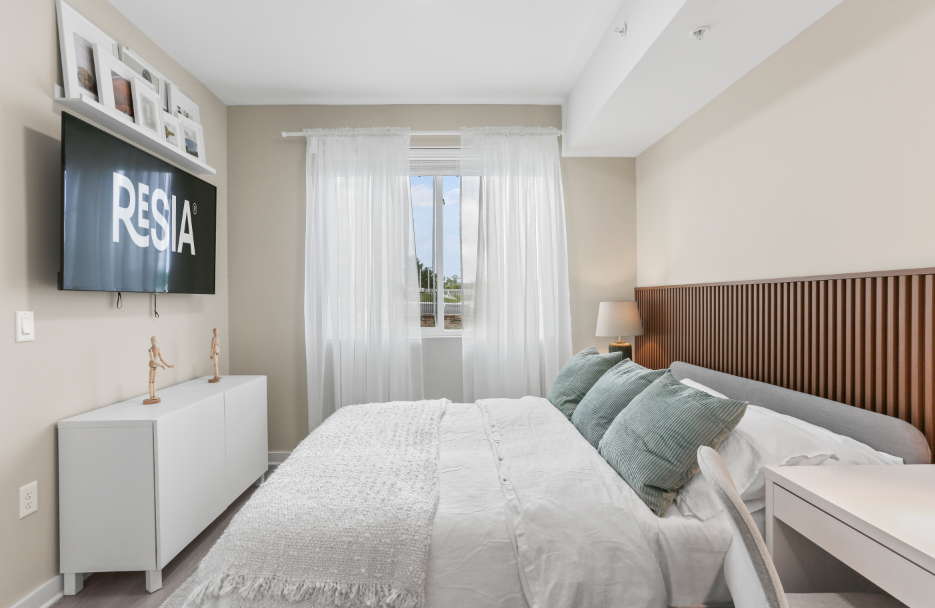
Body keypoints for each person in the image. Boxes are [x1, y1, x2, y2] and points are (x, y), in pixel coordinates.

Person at [145, 336, 174, 404]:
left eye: (155, 340)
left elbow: (162, 359)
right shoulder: (150, 349)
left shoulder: (158, 349)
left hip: (155, 366)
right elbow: (152, 361)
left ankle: (153, 396)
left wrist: (168, 366)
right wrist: (161, 365)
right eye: (152, 340)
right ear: (151, 341)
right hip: (152, 366)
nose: (153, 342)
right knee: (150, 382)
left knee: (154, 381)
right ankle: (151, 396)